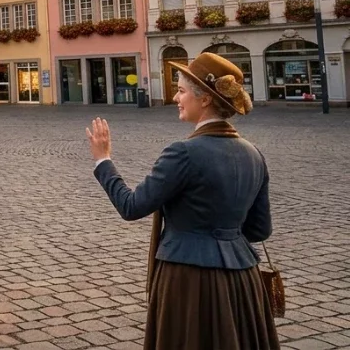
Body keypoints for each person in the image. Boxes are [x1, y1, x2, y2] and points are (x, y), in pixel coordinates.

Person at [86, 52, 277, 349]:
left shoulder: (183, 152)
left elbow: (132, 206)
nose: (175, 97)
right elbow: (259, 230)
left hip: (189, 280)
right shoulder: (254, 154)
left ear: (205, 99)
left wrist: (103, 161)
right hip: (243, 281)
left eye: (181, 90)